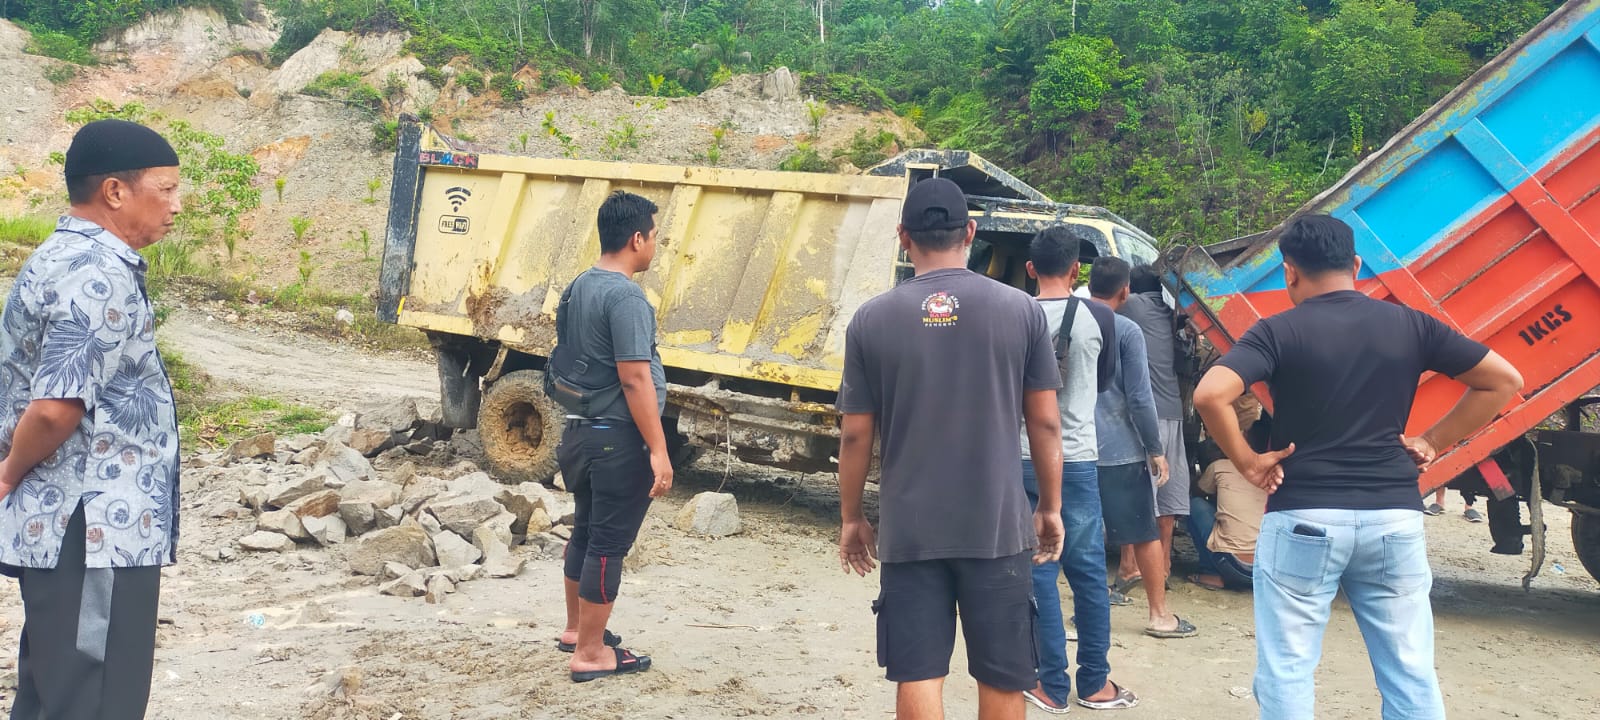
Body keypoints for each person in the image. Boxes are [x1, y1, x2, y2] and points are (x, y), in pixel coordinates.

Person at [1192, 213, 1523, 719]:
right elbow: (1504, 380)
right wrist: (1433, 440)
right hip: (1393, 516)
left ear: (1290, 272)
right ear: (1356, 265)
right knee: (1409, 668)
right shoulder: (1410, 324)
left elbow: (1211, 394)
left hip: (1304, 515)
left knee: (1288, 667)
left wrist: (1248, 461)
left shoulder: (1277, 332)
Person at [837, 177, 1065, 720]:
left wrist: (851, 517)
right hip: (996, 527)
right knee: (1004, 675)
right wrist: (1050, 507)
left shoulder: (872, 319)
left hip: (911, 529)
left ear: (902, 237)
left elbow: (854, 435)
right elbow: (1046, 425)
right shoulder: (1020, 311)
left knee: (918, 672)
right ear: (970, 232)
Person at [0, 119, 184, 719]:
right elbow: (56, 408)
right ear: (114, 191)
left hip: (73, 523)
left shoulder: (64, 255)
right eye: (167, 189)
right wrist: (7, 473)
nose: (176, 206)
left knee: (56, 688)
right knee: (93, 695)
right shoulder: (96, 273)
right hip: (96, 522)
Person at [553, 191, 674, 683]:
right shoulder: (625, 296)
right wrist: (660, 448)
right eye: (655, 236)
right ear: (636, 238)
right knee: (608, 542)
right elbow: (634, 378)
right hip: (616, 438)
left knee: (585, 529)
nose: (656, 246)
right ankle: (590, 653)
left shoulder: (580, 284)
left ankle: (576, 631)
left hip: (580, 432)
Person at [1019, 226, 1139, 713]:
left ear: (1030, 269)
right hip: (1080, 457)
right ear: (1077, 271)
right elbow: (1105, 379)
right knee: (1088, 571)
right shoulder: (1101, 320)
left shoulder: (1014, 315)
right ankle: (1095, 683)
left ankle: (1050, 685)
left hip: (1023, 457)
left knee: (1039, 570)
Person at [1086, 258, 1194, 639]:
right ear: (1124, 291)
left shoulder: (1069, 320)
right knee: (1146, 524)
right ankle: (1159, 612)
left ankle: (1090, 608)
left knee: (1081, 528)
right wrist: (1154, 448)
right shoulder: (1131, 324)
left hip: (1078, 445)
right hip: (1127, 442)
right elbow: (1139, 397)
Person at [1118, 265, 1189, 582]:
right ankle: (1162, 568)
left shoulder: (1133, 305)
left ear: (1130, 288)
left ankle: (1130, 567)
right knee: (1168, 494)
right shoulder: (1169, 312)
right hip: (1173, 410)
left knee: (1138, 492)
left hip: (1146, 414)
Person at [1187, 411, 1272, 592]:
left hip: (1232, 565)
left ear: (1245, 441)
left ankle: (1210, 572)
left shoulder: (1221, 467)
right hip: (1266, 570)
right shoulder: (1276, 475)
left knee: (1194, 505)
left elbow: (1197, 492)